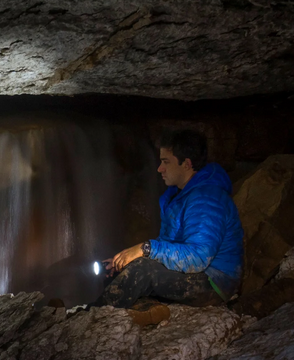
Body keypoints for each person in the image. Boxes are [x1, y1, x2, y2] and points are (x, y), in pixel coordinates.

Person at [94, 129, 243, 310]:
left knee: (143, 271)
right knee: (121, 269)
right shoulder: (179, 195)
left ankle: (91, 317)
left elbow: (197, 258)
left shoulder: (206, 199)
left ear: (186, 164)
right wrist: (126, 259)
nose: (159, 169)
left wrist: (145, 249)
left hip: (214, 282)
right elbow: (170, 246)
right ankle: (112, 310)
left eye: (165, 162)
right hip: (197, 272)